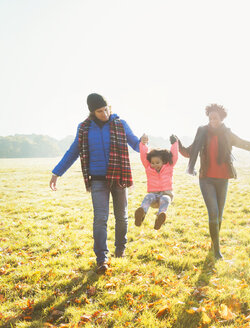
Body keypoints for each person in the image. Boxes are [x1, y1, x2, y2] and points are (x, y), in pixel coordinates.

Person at [49, 93, 140, 274]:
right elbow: (73, 151)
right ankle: (102, 258)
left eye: (106, 109)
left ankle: (120, 249)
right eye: (100, 111)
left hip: (119, 178)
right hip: (98, 179)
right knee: (100, 219)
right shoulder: (84, 128)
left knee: (122, 216)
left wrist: (146, 146)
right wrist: (56, 173)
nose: (104, 113)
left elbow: (136, 144)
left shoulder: (120, 124)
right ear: (92, 112)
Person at [177, 104, 250, 260]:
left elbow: (242, 143)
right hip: (206, 179)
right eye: (210, 118)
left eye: (215, 118)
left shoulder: (227, 134)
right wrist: (177, 143)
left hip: (223, 179)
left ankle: (213, 243)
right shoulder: (202, 132)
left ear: (221, 118)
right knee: (214, 213)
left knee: (220, 215)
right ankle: (217, 251)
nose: (212, 121)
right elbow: (189, 152)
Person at [134, 134, 179, 230]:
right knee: (148, 197)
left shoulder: (169, 167)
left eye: (157, 162)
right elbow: (143, 156)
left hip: (166, 194)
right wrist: (143, 144)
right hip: (153, 195)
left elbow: (174, 155)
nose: (154, 165)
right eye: (152, 163)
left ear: (163, 161)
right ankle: (141, 214)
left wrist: (174, 143)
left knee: (166, 199)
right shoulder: (148, 168)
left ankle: (160, 217)